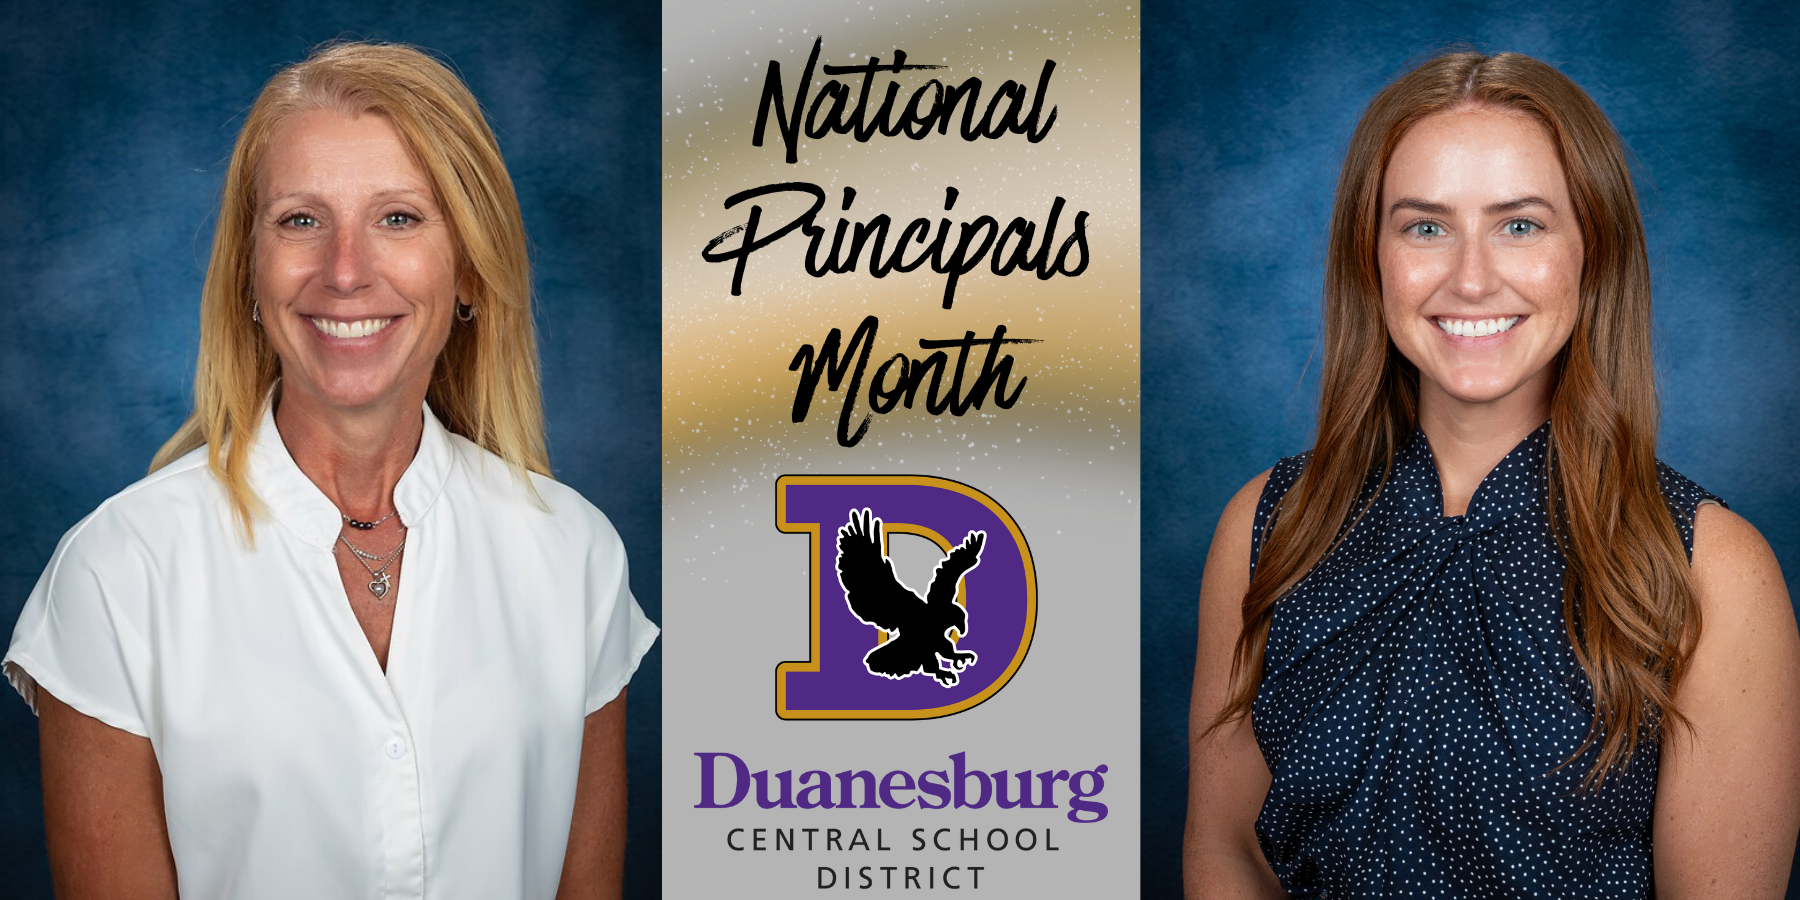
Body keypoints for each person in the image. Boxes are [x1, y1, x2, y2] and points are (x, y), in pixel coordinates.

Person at [2, 42, 657, 899]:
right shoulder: (119, 573)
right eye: (301, 220)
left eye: (398, 218)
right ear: (249, 268)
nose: (346, 272)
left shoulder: (573, 554)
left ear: (467, 267)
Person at [1183, 50, 1800, 898]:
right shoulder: (1269, 525)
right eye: (1425, 226)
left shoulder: (1712, 570)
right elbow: (1228, 855)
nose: (1471, 279)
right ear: (1373, 257)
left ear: (1594, 250)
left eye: (1521, 224)